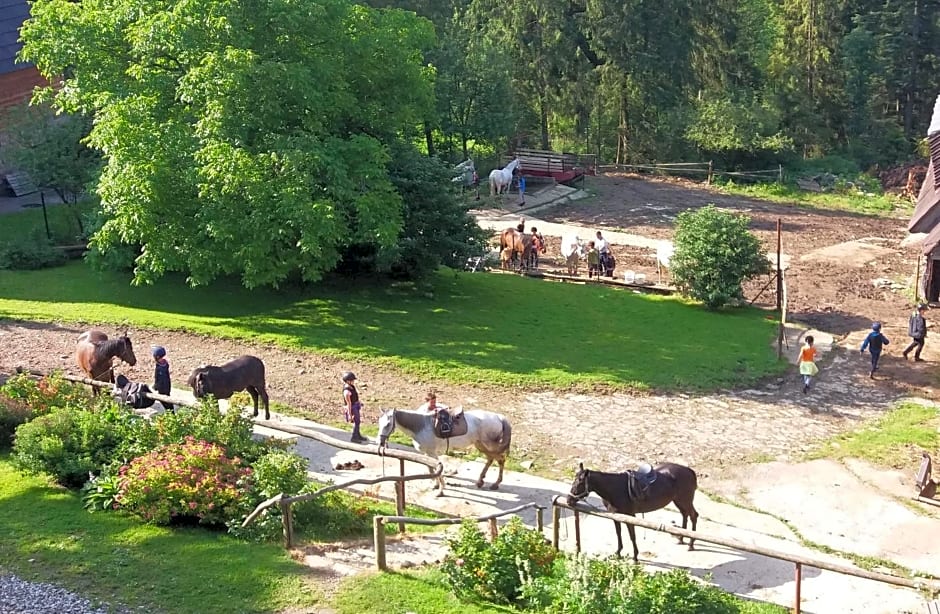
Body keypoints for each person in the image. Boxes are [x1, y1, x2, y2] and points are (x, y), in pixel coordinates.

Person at [342, 372, 367, 443]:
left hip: (355, 405)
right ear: (348, 381)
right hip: (352, 407)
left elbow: (355, 396)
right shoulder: (346, 391)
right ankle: (354, 437)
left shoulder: (352, 386)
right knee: (356, 422)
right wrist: (350, 414)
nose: (353, 381)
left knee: (358, 421)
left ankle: (358, 435)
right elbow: (349, 403)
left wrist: (358, 402)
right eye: (352, 380)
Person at [151, 345, 173, 411]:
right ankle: (170, 410)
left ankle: (170, 412)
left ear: (157, 357)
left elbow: (160, 379)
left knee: (163, 400)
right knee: (167, 397)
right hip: (167, 385)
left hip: (163, 387)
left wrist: (156, 386)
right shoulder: (164, 363)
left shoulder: (160, 368)